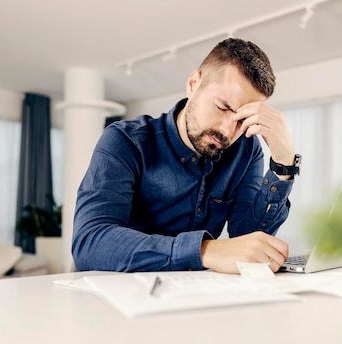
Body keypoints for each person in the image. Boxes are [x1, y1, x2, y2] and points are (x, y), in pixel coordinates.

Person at [72, 38, 301, 274]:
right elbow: (89, 242)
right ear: (193, 84)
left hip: (190, 297)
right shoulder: (125, 141)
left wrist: (284, 162)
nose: (227, 131)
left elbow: (247, 239)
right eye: (223, 107)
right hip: (115, 295)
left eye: (242, 120)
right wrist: (205, 251)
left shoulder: (246, 150)